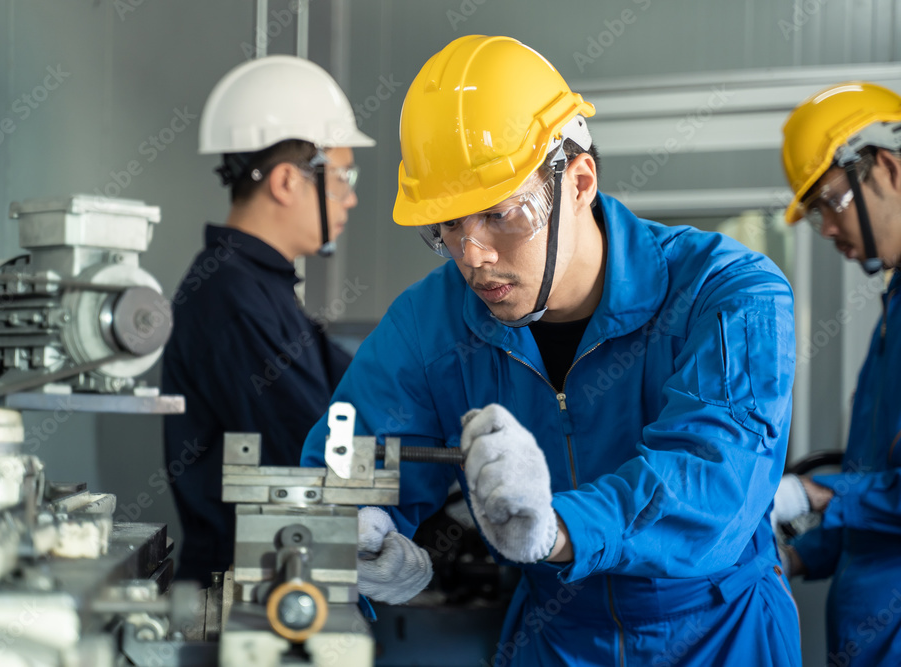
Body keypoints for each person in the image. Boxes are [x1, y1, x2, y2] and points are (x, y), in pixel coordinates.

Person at [300, 35, 801, 665]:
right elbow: (348, 459)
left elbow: (716, 481)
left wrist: (559, 527)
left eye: (500, 214)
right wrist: (358, 533)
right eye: (448, 227)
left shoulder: (728, 293)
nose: (473, 256)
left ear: (580, 180)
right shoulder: (430, 324)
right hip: (556, 637)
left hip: (721, 635)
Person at [162, 55, 374, 586]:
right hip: (246, 592)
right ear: (285, 182)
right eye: (343, 175)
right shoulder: (233, 298)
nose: (350, 196)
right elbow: (313, 446)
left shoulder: (260, 286)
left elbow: (355, 385)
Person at [778, 81, 901, 667]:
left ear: (887, 169)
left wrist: (816, 493)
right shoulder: (893, 309)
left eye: (830, 200)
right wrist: (796, 557)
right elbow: (878, 497)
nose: (825, 228)